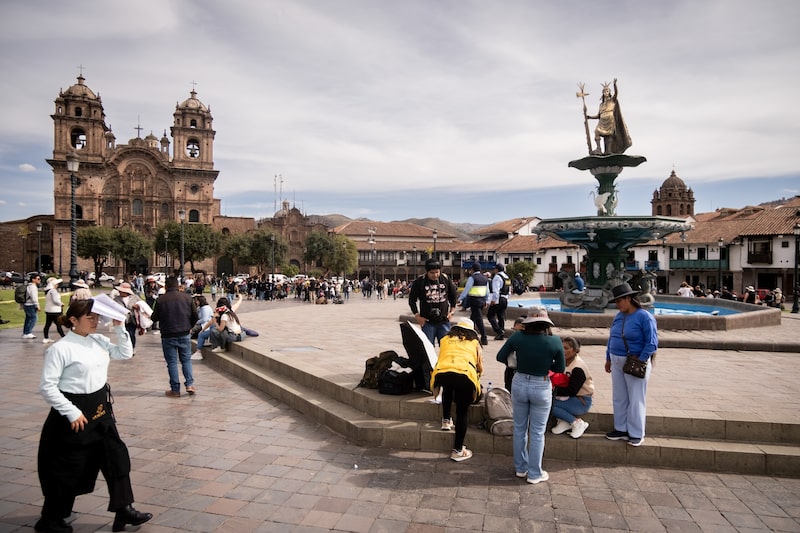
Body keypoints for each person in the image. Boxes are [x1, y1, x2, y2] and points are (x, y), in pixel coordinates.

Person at [36, 298, 152, 533]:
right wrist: (71, 412)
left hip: (100, 410)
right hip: (73, 414)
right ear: (73, 320)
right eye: (90, 318)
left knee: (116, 457)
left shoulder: (98, 340)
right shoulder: (61, 349)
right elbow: (47, 386)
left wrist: (119, 327)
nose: (95, 321)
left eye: (97, 317)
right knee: (67, 467)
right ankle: (51, 518)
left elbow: (124, 353)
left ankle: (124, 509)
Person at [496, 306, 564, 484]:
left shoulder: (517, 337)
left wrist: (519, 361)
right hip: (541, 385)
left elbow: (500, 356)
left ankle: (520, 468)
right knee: (537, 432)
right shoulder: (554, 341)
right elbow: (560, 368)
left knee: (520, 428)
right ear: (546, 323)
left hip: (519, 382)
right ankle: (534, 473)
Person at [605, 283, 658, 447]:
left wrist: (641, 359)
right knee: (619, 396)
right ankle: (621, 428)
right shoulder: (618, 316)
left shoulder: (644, 317)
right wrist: (608, 358)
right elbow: (612, 337)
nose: (617, 305)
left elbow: (652, 342)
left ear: (629, 298)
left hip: (634, 362)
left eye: (619, 301)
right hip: (616, 360)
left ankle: (636, 433)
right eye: (616, 302)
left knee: (636, 398)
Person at [430, 318, 484, 462]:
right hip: (465, 374)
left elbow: (443, 357)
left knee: (448, 387)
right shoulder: (474, 342)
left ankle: (446, 420)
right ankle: (458, 450)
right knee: (462, 411)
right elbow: (479, 365)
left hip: (442, 372)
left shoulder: (445, 339)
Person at [151, 276, 198, 398]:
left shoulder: (161, 300)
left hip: (168, 335)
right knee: (186, 360)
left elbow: (154, 318)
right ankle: (189, 384)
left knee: (172, 363)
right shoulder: (187, 298)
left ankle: (175, 390)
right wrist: (189, 326)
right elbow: (195, 316)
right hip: (184, 333)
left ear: (166, 287)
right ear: (178, 286)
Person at [551, 337, 594, 439]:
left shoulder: (578, 367)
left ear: (575, 350)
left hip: (581, 401)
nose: (563, 351)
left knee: (547, 405)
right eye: (561, 348)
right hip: (568, 397)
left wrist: (552, 391)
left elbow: (572, 390)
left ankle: (577, 422)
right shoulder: (563, 362)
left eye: (566, 348)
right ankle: (565, 421)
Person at [408, 258, 458, 346]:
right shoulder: (420, 282)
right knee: (428, 347)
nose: (435, 275)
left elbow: (453, 296)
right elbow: (412, 300)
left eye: (437, 272)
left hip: (444, 320)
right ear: (427, 272)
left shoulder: (445, 279)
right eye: (432, 273)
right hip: (427, 321)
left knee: (446, 347)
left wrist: (452, 312)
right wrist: (417, 316)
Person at [586, 78, 631, 155]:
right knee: (597, 131)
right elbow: (598, 116)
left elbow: (616, 93)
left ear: (609, 92)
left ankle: (609, 151)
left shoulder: (612, 100)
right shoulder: (601, 105)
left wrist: (614, 85)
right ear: (603, 93)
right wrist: (589, 117)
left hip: (610, 120)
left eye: (607, 91)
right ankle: (598, 149)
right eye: (604, 91)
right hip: (602, 121)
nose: (606, 92)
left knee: (609, 135)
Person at [458, 262, 490, 345]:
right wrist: (486, 301)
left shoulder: (472, 278)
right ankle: (469, 335)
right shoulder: (485, 278)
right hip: (482, 301)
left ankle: (484, 338)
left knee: (479, 320)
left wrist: (460, 298)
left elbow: (467, 289)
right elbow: (487, 291)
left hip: (474, 301)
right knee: (472, 319)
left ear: (472, 270)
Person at [112, 283, 142, 352]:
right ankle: (125, 348)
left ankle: (132, 347)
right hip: (121, 320)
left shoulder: (135, 297)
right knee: (123, 334)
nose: (119, 292)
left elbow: (142, 305)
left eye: (121, 291)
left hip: (132, 319)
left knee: (131, 334)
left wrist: (137, 307)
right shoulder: (116, 299)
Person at [487, 263, 511, 341]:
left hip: (499, 299)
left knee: (490, 315)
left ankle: (499, 331)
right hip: (505, 299)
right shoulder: (507, 277)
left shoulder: (497, 277)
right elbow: (509, 291)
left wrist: (494, 300)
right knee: (501, 317)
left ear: (497, 269)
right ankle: (501, 333)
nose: (494, 270)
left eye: (494, 269)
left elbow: (496, 290)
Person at [42, 277, 66, 344]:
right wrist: (61, 304)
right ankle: (63, 337)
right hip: (55, 311)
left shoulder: (48, 291)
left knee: (47, 324)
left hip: (49, 310)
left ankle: (46, 337)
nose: (57, 285)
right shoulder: (53, 291)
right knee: (58, 325)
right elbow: (55, 300)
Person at [191, 295, 213, 360]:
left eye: (197, 301)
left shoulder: (205, 308)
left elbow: (204, 319)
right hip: (201, 324)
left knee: (193, 330)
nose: (196, 302)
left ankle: (198, 352)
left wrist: (195, 322)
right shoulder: (200, 308)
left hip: (204, 325)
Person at [22, 273, 42, 339]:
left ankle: (25, 333)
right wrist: (37, 305)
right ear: (33, 280)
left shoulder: (28, 286)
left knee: (28, 319)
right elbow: (34, 297)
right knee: (34, 318)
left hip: (27, 304)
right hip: (31, 305)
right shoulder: (33, 287)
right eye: (38, 279)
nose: (39, 280)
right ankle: (28, 332)